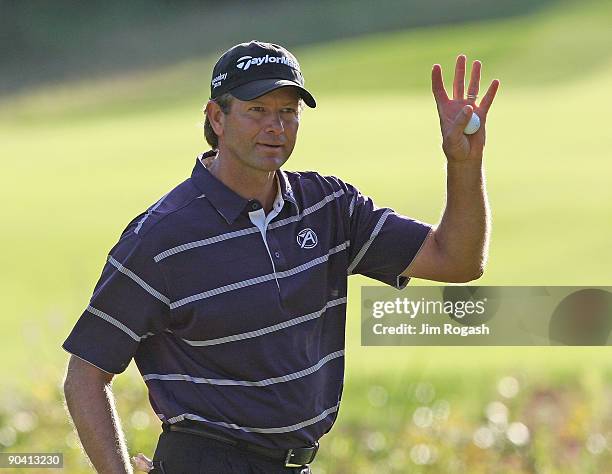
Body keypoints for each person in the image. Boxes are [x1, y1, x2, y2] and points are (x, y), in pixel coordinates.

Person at [62, 40, 499, 473]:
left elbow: (457, 261)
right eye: (257, 110)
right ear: (217, 117)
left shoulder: (329, 206)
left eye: (288, 111)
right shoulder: (161, 237)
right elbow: (85, 376)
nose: (276, 126)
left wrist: (464, 164)